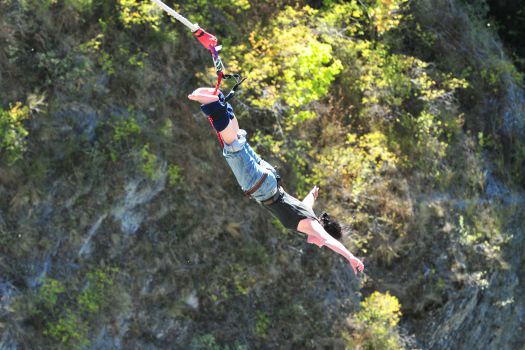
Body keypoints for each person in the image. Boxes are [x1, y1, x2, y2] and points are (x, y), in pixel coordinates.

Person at [188, 87, 364, 275]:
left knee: (239, 140)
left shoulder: (309, 215)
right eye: (322, 242)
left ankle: (220, 100)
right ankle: (213, 104)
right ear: (323, 230)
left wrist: (313, 192)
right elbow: (330, 241)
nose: (320, 245)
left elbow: (307, 201)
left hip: (270, 178)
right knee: (233, 147)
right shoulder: (311, 226)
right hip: (261, 187)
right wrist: (350, 257)